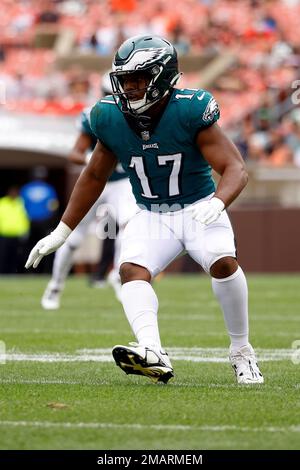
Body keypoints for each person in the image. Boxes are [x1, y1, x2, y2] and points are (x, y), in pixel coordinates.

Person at [26, 35, 264, 385]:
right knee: (131, 270)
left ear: (163, 77)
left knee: (223, 261)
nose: (130, 87)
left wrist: (217, 202)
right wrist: (62, 230)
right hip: (151, 212)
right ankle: (153, 351)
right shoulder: (109, 116)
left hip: (198, 207)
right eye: (125, 79)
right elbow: (93, 174)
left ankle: (242, 351)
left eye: (139, 78)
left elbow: (236, 168)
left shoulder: (189, 109)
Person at [41, 72, 137, 309]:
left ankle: (118, 276)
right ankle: (55, 286)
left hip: (122, 182)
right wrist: (94, 161)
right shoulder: (94, 115)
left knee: (128, 226)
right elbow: (75, 153)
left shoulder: (139, 115)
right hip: (95, 180)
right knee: (72, 238)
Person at [0, 186, 30, 274]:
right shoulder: (2, 202)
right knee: (3, 255)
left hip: (17, 235)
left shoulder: (21, 202)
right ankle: (2, 273)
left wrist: (25, 231)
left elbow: (25, 218)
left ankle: (13, 273)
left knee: (16, 256)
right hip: (4, 234)